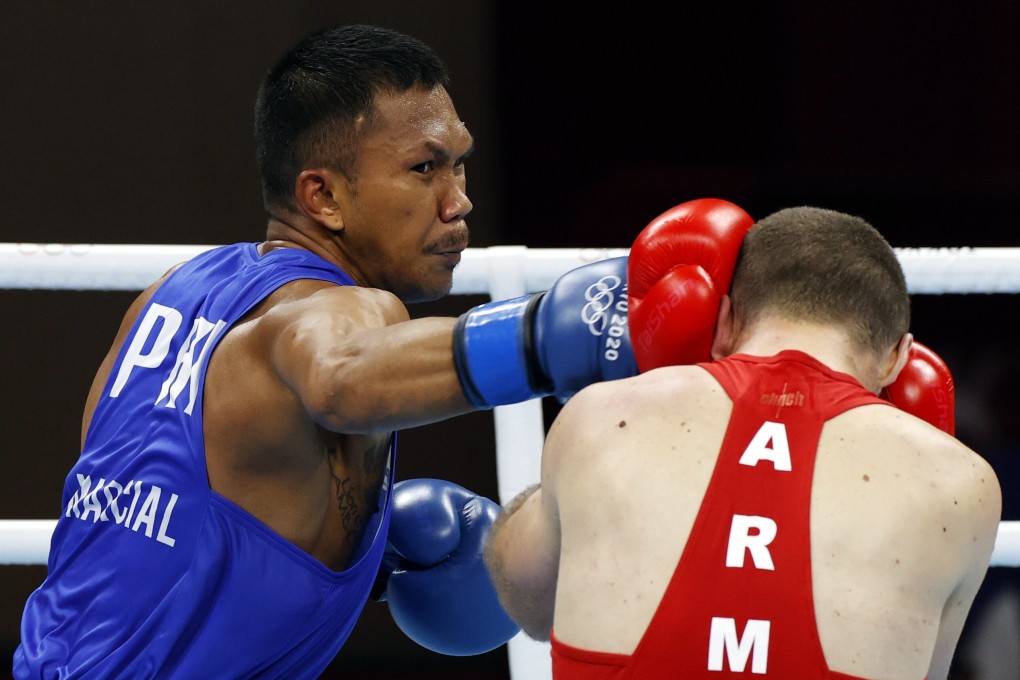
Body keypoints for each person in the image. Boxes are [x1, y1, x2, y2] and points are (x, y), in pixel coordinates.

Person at [13, 23, 647, 678]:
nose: (460, 201)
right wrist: (545, 337)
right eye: (424, 168)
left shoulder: (168, 297)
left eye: (459, 163)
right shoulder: (340, 311)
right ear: (324, 197)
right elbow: (340, 376)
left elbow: (141, 520)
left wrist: (348, 561)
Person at [483, 205, 1002, 679]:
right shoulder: (959, 486)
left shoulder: (600, 417)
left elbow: (527, 601)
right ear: (897, 357)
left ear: (725, 319)